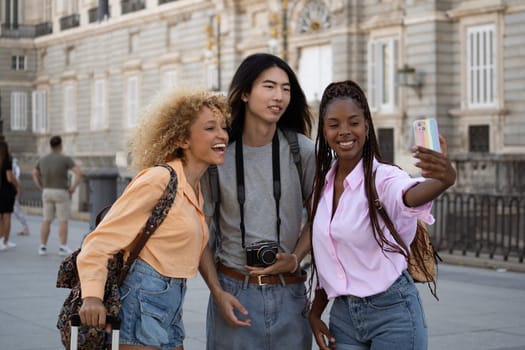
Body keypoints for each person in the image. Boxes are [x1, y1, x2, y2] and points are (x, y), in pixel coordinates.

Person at [307, 80, 457, 350]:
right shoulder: (323, 185)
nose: (344, 132)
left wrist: (444, 180)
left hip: (392, 312)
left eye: (353, 122)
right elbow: (331, 257)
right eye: (334, 124)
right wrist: (315, 313)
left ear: (366, 126)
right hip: (343, 316)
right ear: (324, 130)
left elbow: (408, 194)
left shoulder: (384, 177)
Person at [77, 88, 229, 350]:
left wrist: (217, 291)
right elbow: (99, 240)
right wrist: (91, 296)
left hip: (170, 300)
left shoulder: (194, 186)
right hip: (142, 298)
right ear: (183, 139)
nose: (222, 135)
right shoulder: (159, 179)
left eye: (224, 127)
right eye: (210, 128)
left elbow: (199, 243)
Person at [199, 53, 315, 350]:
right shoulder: (218, 157)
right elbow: (199, 232)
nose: (279, 96)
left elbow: (321, 215)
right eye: (269, 86)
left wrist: (296, 257)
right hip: (234, 292)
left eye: (286, 88)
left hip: (290, 291)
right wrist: (217, 292)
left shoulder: (301, 150)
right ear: (246, 93)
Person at [32, 135, 83, 256]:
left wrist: (40, 186)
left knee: (46, 220)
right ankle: (62, 246)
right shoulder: (65, 159)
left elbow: (34, 173)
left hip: (47, 191)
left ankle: (43, 246)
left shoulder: (43, 159)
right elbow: (78, 173)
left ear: (50, 145)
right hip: (61, 192)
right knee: (63, 220)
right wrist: (73, 187)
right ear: (60, 145)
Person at [0, 140, 20, 251]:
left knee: (0, 217)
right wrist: (18, 185)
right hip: (6, 191)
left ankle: (0, 239)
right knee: (7, 216)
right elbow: (9, 177)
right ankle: (5, 241)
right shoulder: (7, 161)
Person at [12, 157, 30, 236]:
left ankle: (25, 228)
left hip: (10, 190)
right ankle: (25, 228)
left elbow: (16, 179)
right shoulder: (15, 167)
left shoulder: (13, 167)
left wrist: (18, 189)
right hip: (10, 189)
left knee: (16, 210)